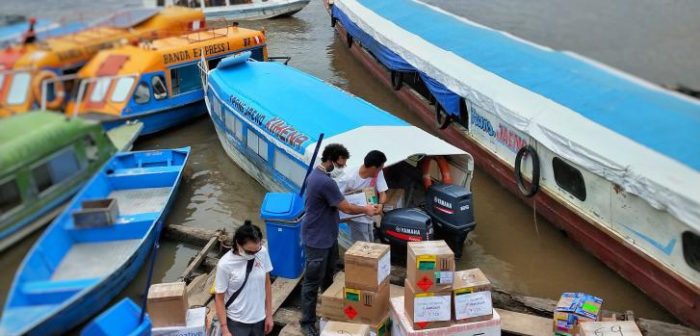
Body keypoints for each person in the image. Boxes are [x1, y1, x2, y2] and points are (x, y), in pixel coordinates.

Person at [300, 143, 379, 336]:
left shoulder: (318, 176)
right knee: (311, 283)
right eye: (342, 163)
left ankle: (330, 309)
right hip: (317, 239)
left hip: (327, 236)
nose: (343, 167)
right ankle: (307, 322)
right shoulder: (325, 182)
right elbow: (346, 208)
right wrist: (366, 210)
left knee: (329, 276)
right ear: (333, 160)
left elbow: (337, 203)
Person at [215, 221, 274, 336]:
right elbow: (219, 297)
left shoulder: (262, 252)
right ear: (238, 243)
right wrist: (225, 329)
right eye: (249, 251)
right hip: (236, 323)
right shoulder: (225, 264)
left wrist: (269, 315)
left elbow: (267, 284)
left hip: (259, 319)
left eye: (256, 250)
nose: (253, 254)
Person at [337, 150, 388, 243]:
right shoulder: (348, 177)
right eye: (380, 168)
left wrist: (381, 205)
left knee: (370, 240)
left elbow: (383, 192)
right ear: (373, 168)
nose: (381, 171)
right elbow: (336, 198)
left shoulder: (378, 172)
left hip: (369, 212)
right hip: (354, 214)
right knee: (363, 245)